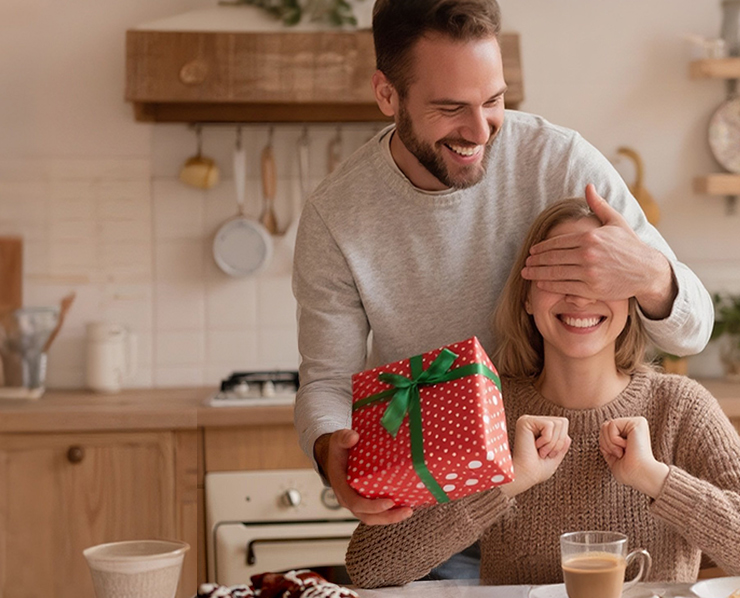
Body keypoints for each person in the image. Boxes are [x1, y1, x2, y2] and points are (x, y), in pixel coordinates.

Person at [293, 0, 713, 558]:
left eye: (493, 101)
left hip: (558, 506)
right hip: (439, 517)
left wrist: (650, 273)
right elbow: (328, 382)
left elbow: (693, 331)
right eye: (450, 108)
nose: (479, 130)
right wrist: (331, 453)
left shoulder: (560, 161)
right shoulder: (336, 214)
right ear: (387, 94)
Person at [343, 198, 740, 587]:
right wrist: (507, 480)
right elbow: (369, 565)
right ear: (527, 298)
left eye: (599, 276)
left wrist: (657, 479)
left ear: (632, 297)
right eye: (557, 276)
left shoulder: (679, 407)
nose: (579, 296)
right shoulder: (488, 408)